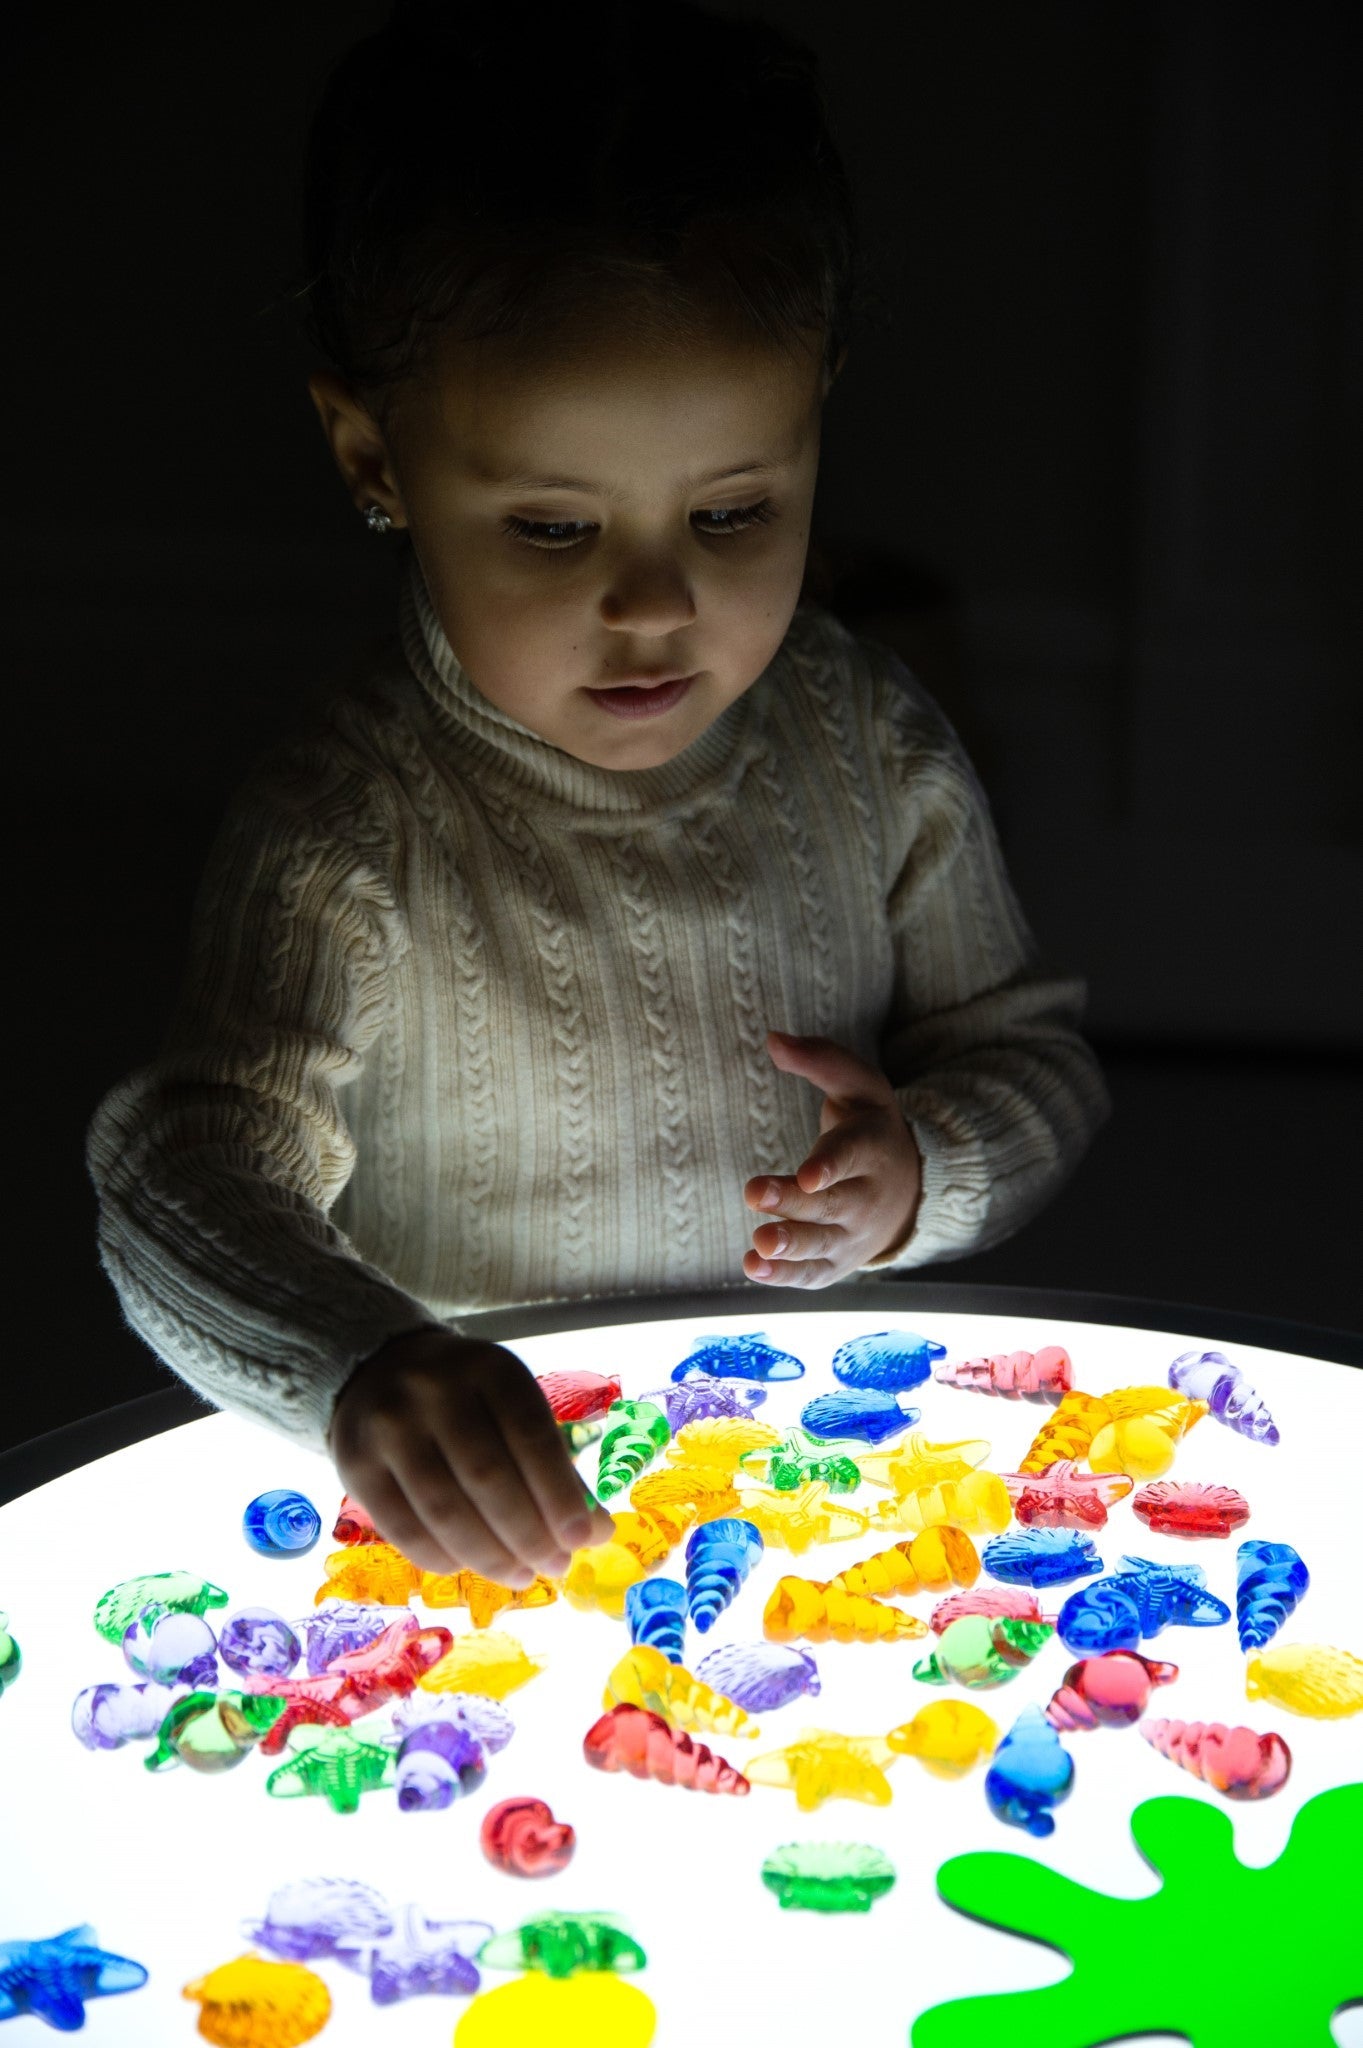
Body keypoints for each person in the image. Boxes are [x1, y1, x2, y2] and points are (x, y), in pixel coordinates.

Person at [87, 0, 1110, 1594]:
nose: (655, 605)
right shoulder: (349, 827)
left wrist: (925, 1168)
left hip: (806, 1506)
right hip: (483, 1539)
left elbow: (1034, 1062)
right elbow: (182, 1179)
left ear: (814, 417)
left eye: (733, 511)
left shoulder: (868, 743)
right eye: (556, 530)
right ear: (374, 459)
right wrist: (361, 1363)